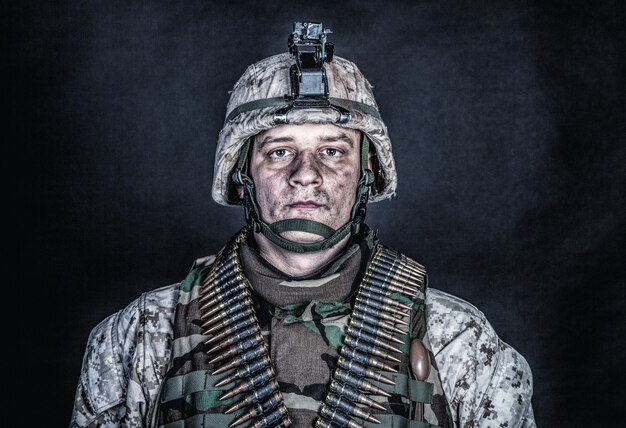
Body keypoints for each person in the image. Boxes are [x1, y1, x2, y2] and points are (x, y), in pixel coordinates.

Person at [71, 22, 535, 428]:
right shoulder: (141, 335)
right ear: (242, 173)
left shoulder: (457, 339)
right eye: (279, 151)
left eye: (332, 150)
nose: (305, 174)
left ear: (366, 173)